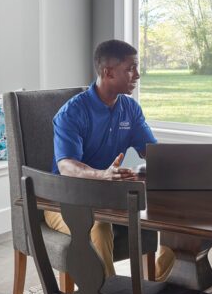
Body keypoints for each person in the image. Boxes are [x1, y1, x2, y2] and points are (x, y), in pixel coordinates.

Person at [49, 39, 173, 280]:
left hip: (110, 196)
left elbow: (153, 152)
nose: (137, 75)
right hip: (64, 199)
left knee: (173, 216)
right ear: (108, 72)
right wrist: (102, 175)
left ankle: (157, 287)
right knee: (99, 226)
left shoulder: (130, 109)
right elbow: (66, 166)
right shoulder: (72, 113)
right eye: (130, 68)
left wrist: (183, 166)